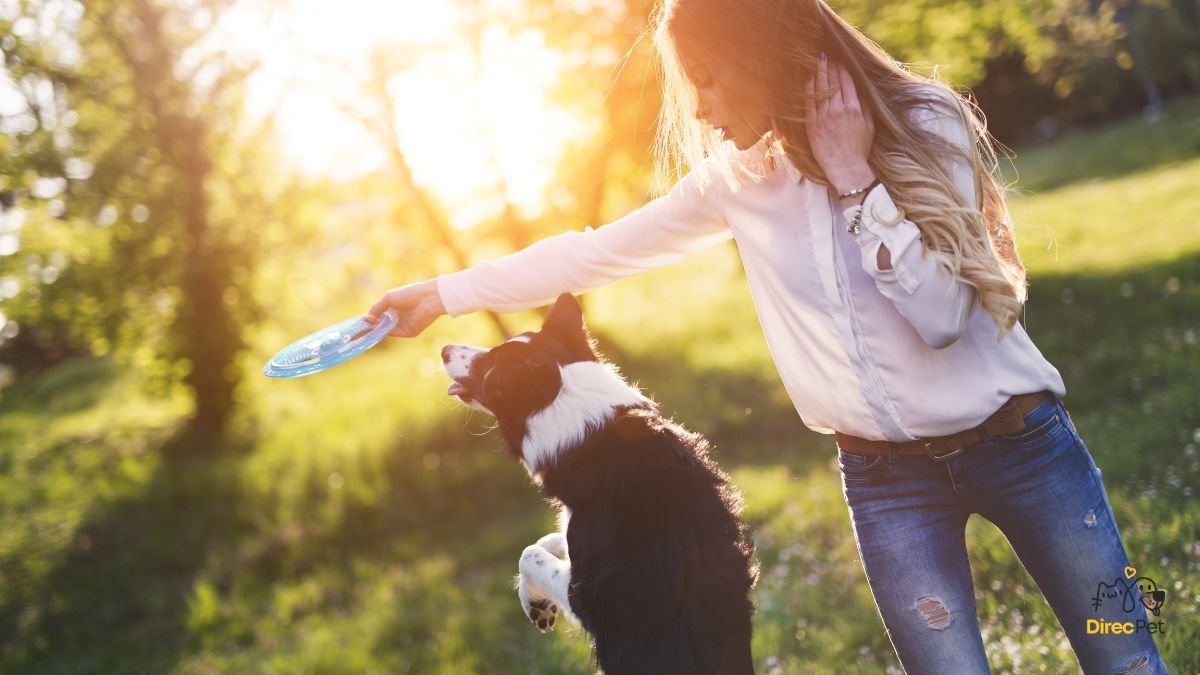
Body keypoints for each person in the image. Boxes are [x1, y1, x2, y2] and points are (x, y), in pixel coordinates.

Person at [364, 0, 1170, 672]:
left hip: (1023, 447)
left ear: (765, 53)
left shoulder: (924, 121)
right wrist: (441, 293)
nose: (703, 108)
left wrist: (857, 180)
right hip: (888, 485)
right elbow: (590, 251)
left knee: (1122, 654)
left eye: (708, 80)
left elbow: (942, 318)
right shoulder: (737, 181)